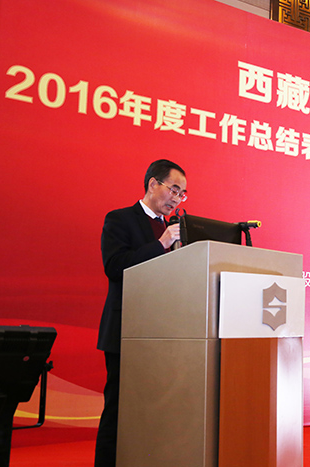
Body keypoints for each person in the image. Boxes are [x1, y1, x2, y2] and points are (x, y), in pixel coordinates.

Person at [94, 159, 187, 467]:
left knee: (155, 410)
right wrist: (162, 243)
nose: (177, 198)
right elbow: (115, 266)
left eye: (182, 194)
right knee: (119, 409)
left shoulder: (175, 229)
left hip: (164, 333)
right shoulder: (120, 219)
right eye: (174, 189)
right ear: (153, 184)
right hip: (127, 330)